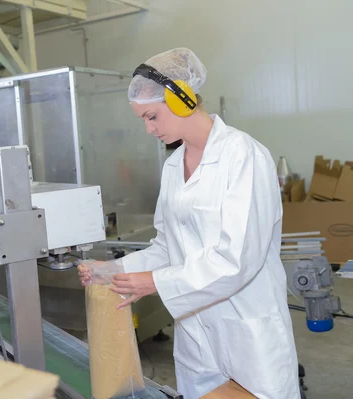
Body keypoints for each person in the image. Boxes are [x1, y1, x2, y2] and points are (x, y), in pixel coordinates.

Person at [78, 48, 300, 399]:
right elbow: (168, 247)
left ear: (181, 99)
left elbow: (236, 261)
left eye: (152, 117)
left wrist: (152, 282)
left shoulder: (243, 156)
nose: (149, 129)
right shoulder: (172, 166)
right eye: (143, 121)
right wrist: (114, 270)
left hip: (246, 329)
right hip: (196, 334)